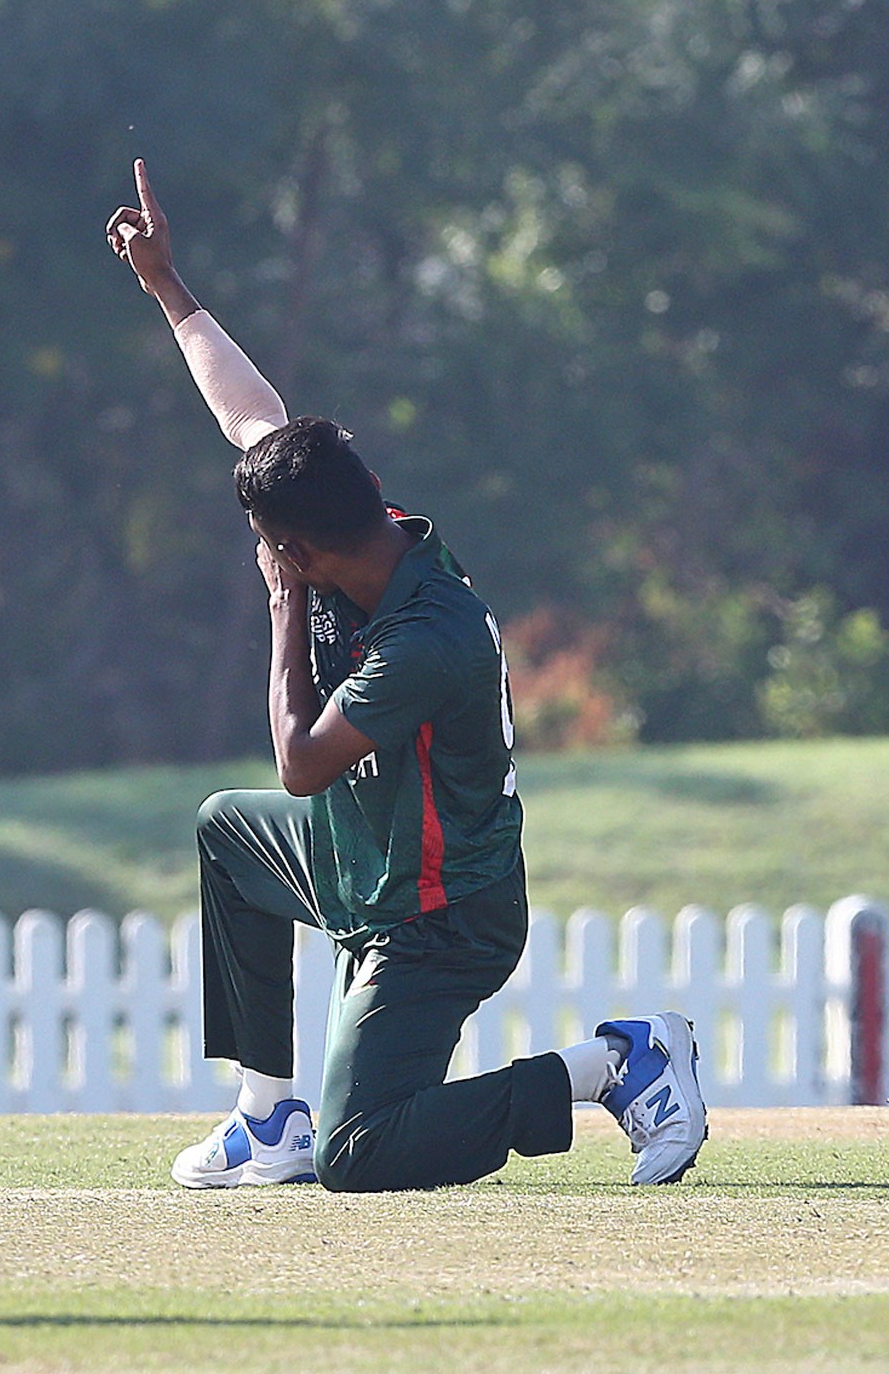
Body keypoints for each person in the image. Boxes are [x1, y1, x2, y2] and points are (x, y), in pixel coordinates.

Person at [104, 160, 705, 1192]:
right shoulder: (354, 523)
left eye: (267, 544)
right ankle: (266, 1114)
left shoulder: (429, 637)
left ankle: (612, 1063)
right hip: (359, 857)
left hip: (441, 913)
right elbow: (250, 415)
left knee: (365, 1152)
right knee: (223, 832)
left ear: (299, 549)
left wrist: (282, 606)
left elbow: (299, 764)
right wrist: (167, 284)